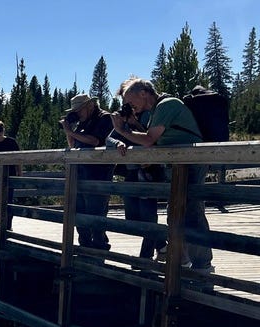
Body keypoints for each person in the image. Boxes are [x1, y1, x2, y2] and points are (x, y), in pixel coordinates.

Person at [110, 77, 212, 272]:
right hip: (178, 165)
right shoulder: (155, 111)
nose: (130, 107)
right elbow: (155, 139)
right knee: (175, 214)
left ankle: (202, 266)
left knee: (191, 213)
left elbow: (149, 140)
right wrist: (133, 124)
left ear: (143, 93)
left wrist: (121, 130)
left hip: (191, 163)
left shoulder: (167, 104)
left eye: (131, 102)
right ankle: (181, 261)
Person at [107, 103, 166, 261]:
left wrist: (135, 124)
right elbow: (109, 139)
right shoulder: (123, 125)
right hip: (132, 173)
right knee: (132, 217)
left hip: (148, 174)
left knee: (149, 215)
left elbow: (152, 138)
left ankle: (145, 257)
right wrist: (118, 143)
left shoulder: (148, 116)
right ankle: (161, 244)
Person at [61, 93, 114, 251]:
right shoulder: (83, 121)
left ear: (90, 105)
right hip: (81, 171)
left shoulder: (104, 118)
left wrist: (71, 132)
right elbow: (74, 145)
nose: (77, 113)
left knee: (95, 209)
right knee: (79, 209)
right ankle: (85, 244)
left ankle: (99, 245)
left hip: (98, 172)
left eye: (79, 110)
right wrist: (69, 131)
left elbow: (95, 141)